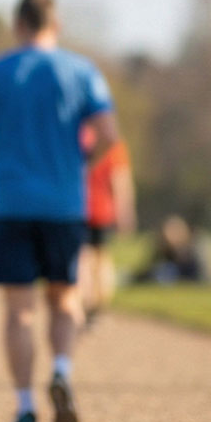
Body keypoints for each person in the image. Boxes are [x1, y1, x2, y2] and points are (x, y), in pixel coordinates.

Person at [0, 0, 120, 422]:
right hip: (65, 202)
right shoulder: (82, 71)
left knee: (19, 311)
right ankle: (62, 369)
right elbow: (109, 134)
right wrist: (80, 162)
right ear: (56, 25)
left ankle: (26, 410)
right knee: (66, 299)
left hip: (11, 201)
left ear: (18, 25)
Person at [79, 124, 135, 327]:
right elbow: (119, 180)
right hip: (103, 211)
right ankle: (98, 304)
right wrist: (125, 212)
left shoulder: (79, 137)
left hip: (78, 208)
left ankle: (86, 301)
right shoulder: (113, 143)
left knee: (83, 258)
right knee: (102, 258)